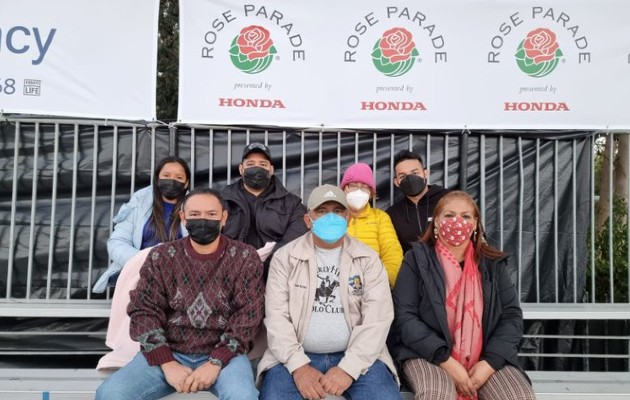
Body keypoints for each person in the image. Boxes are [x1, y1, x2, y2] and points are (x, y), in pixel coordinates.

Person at [96, 187, 265, 400]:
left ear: (223, 218)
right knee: (110, 394)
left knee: (244, 397)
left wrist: (216, 362)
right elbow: (143, 310)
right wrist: (167, 362)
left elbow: (249, 316)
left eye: (211, 214)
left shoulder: (244, 257)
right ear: (183, 218)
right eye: (195, 214)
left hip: (226, 355)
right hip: (169, 351)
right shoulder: (162, 256)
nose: (203, 220)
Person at [258, 184, 401, 400]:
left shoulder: (368, 258)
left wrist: (348, 368)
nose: (330, 217)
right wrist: (299, 367)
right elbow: (277, 318)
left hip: (359, 357)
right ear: (308, 220)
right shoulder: (285, 257)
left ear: (348, 218)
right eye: (322, 211)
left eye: (337, 210)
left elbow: (378, 320)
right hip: (294, 357)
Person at [390, 191, 536, 400]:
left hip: (485, 357)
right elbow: (405, 317)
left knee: (517, 396)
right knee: (436, 395)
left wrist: (490, 362)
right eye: (449, 215)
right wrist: (445, 359)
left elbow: (511, 316)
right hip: (427, 355)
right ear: (437, 222)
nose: (457, 222)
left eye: (466, 216)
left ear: (476, 224)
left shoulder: (492, 264)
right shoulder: (416, 260)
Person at [92, 156, 191, 293]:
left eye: (179, 177)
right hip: (138, 277)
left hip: (180, 281)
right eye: (166, 175)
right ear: (157, 179)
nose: (172, 181)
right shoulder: (139, 202)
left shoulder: (196, 208)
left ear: (186, 183)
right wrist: (144, 261)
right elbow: (117, 241)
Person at [221, 142, 308, 279]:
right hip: (230, 275)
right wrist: (240, 261)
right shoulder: (222, 201)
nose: (256, 168)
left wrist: (265, 260)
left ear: (271, 169)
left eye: (262, 164)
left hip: (277, 275)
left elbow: (295, 240)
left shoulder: (293, 204)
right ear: (241, 169)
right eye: (250, 164)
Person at [340, 162, 403, 287]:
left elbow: (392, 254)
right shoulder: (333, 217)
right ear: (343, 189)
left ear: (371, 193)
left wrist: (381, 282)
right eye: (353, 185)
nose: (358, 190)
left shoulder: (380, 217)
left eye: (364, 187)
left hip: (373, 285)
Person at [386, 150, 449, 254]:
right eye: (402, 176)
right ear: (396, 182)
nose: (410, 179)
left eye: (415, 173)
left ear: (425, 173)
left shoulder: (448, 199)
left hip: (450, 265)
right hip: (414, 267)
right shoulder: (393, 214)